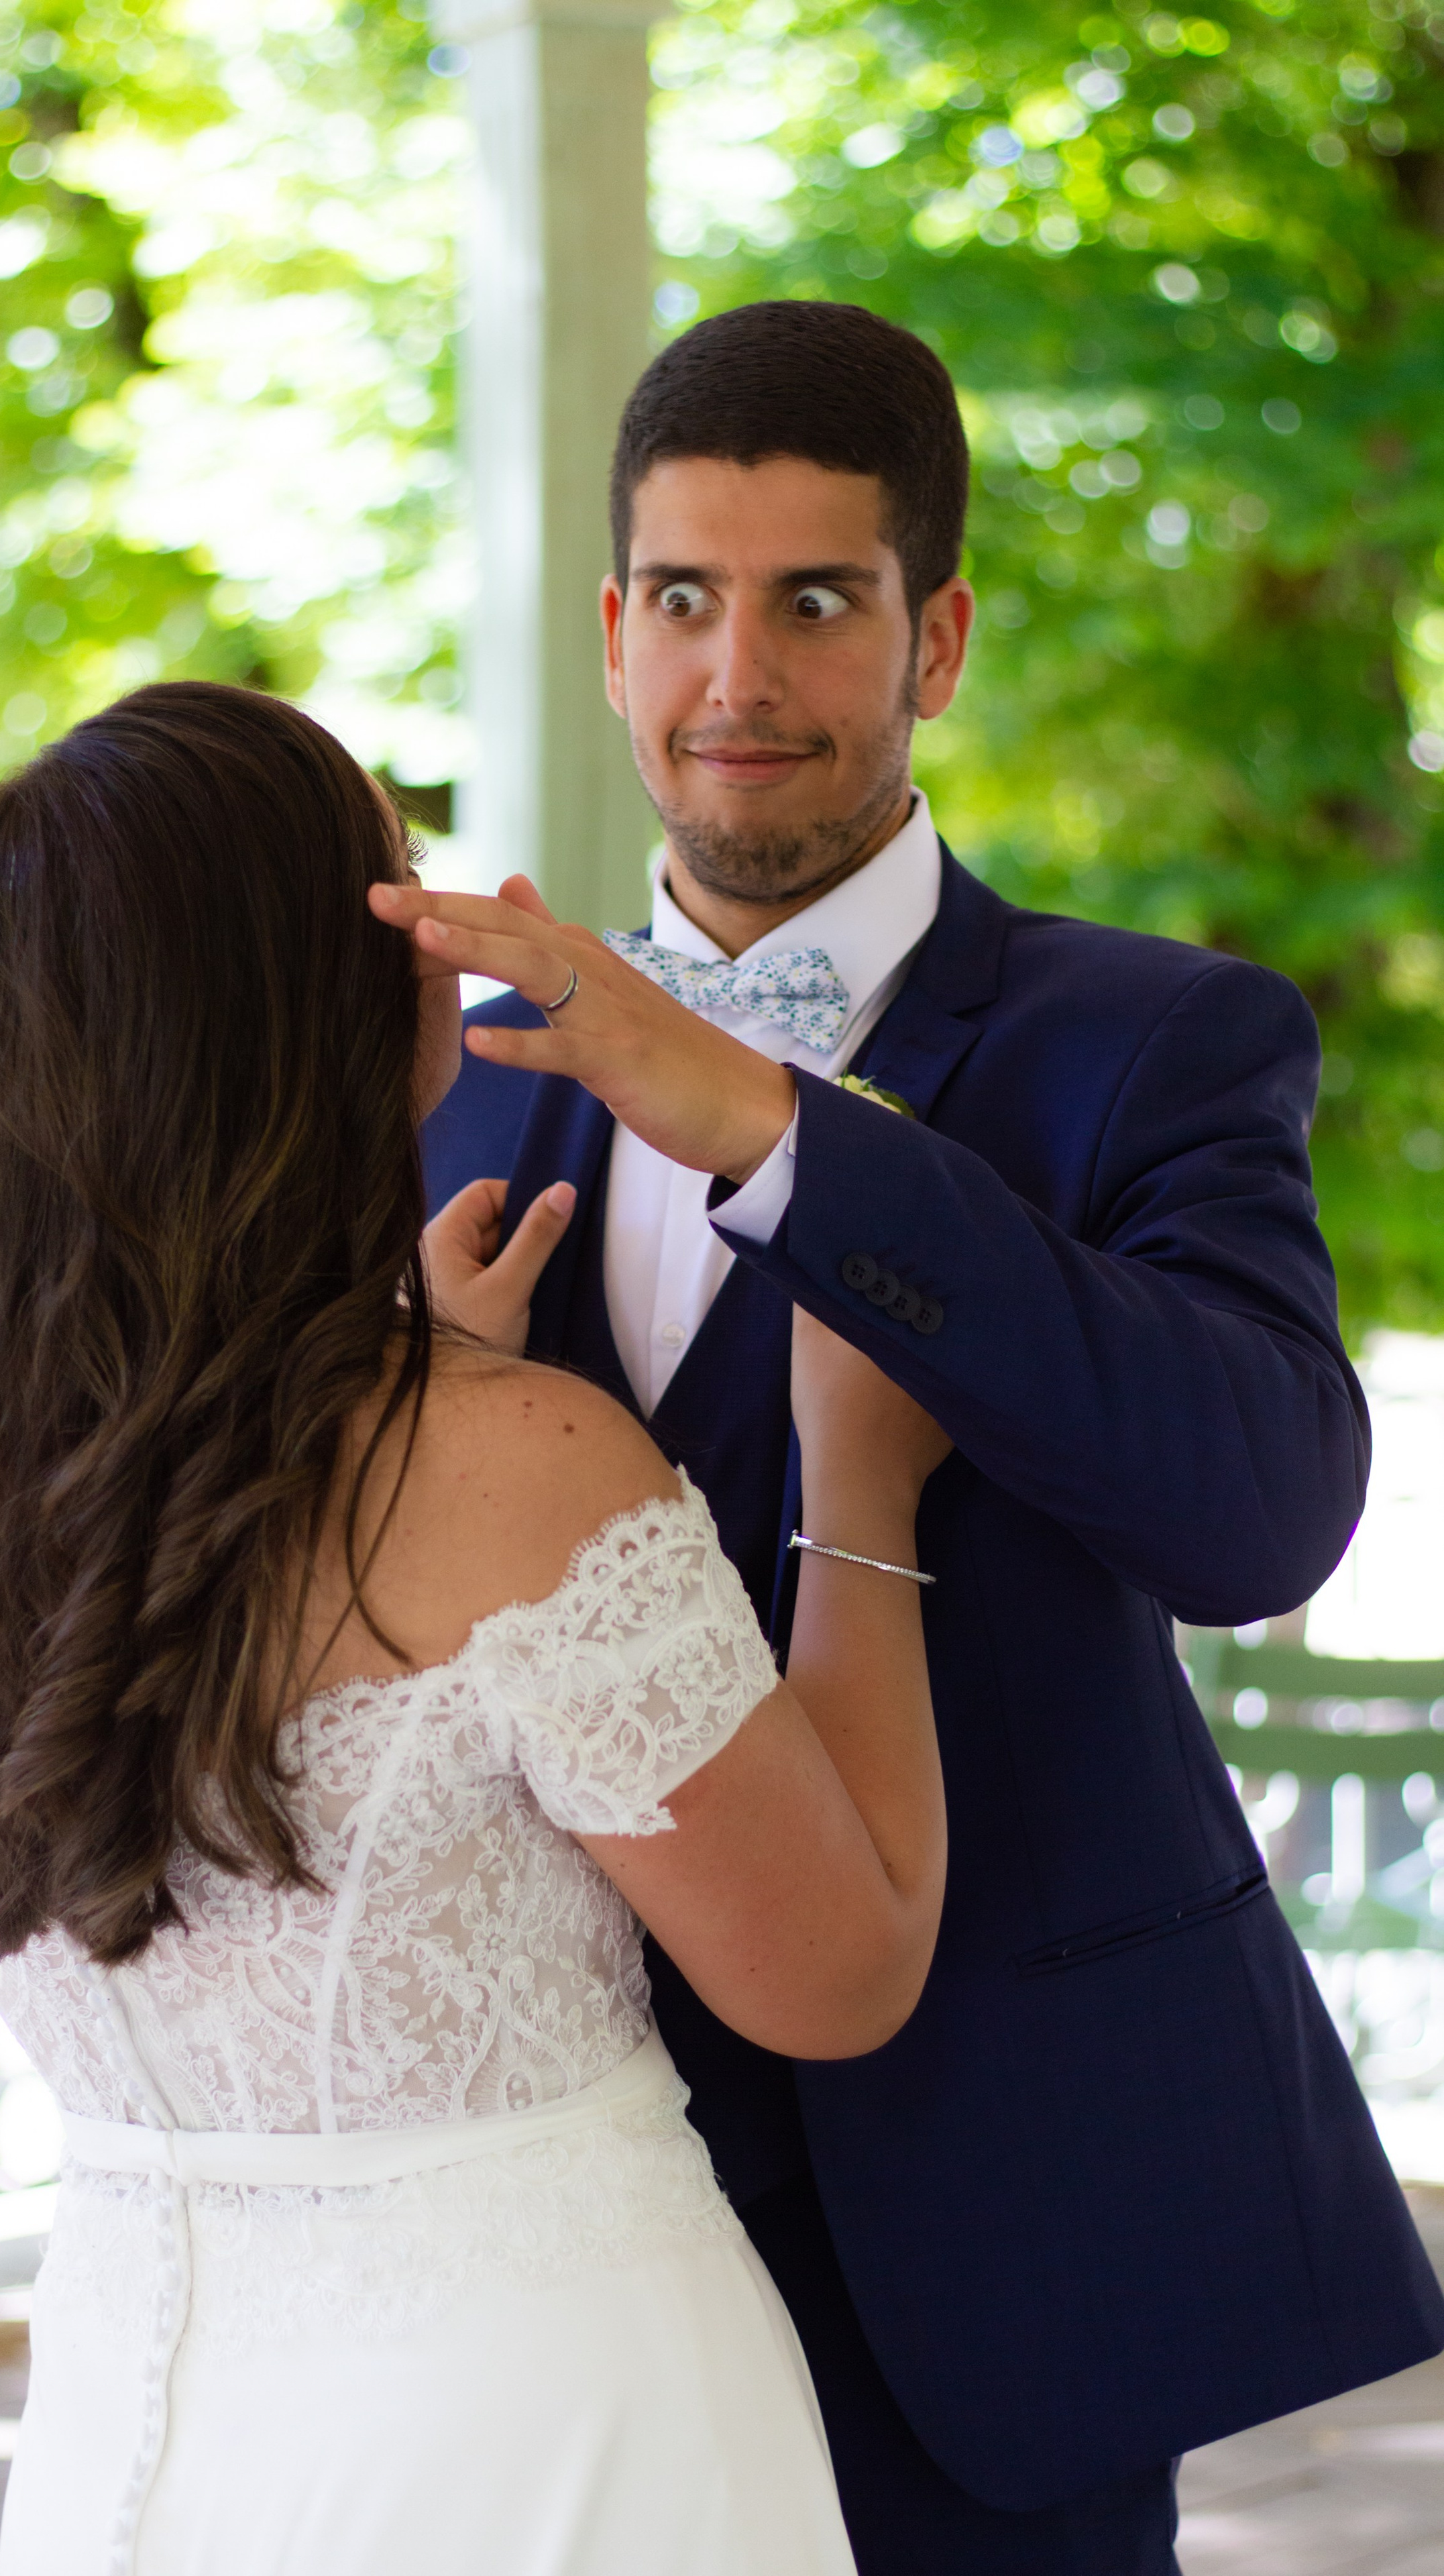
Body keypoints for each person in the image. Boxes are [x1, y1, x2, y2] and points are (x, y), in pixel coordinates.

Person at [395, 299, 1444, 2575]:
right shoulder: (438, 1074)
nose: (736, 678)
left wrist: (775, 1133)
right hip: (543, 2243)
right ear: (609, 632)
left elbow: (1263, 1509)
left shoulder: (1155, 1046)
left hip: (991, 2254)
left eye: (816, 603)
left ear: (937, 635)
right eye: (683, 599)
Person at [0, 678, 956, 2575]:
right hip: (544, 2440)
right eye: (397, 878)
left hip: (138, 2423)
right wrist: (861, 1487)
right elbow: (837, 1974)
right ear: (320, 992)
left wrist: (430, 1385)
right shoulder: (521, 1469)